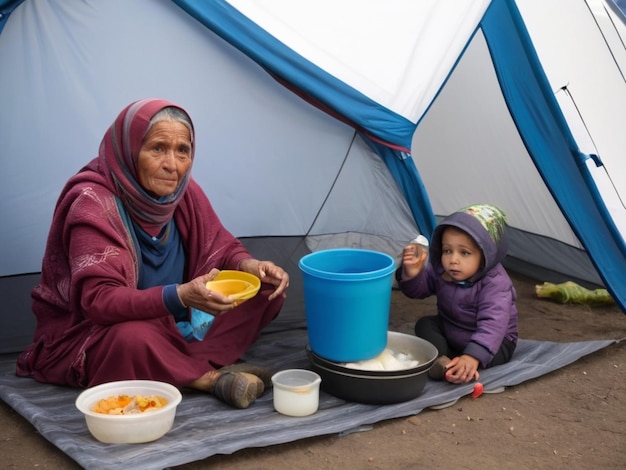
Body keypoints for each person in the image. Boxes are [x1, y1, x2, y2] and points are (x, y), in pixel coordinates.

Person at [16, 98, 290, 409]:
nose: (172, 165)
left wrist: (250, 265)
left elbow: (221, 244)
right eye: (158, 148)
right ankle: (206, 378)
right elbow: (99, 302)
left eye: (182, 151)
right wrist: (182, 296)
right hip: (103, 328)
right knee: (130, 339)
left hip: (175, 321)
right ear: (129, 150)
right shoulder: (92, 203)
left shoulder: (181, 192)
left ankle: (171, 362)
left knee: (266, 288)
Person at [397, 204, 518, 384]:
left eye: (465, 253)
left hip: (494, 341)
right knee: (426, 324)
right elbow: (418, 291)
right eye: (447, 250)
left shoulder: (496, 284)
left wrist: (473, 356)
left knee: (492, 352)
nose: (453, 260)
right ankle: (442, 361)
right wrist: (412, 274)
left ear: (486, 256)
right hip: (452, 329)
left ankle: (466, 364)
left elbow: (493, 325)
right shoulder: (442, 270)